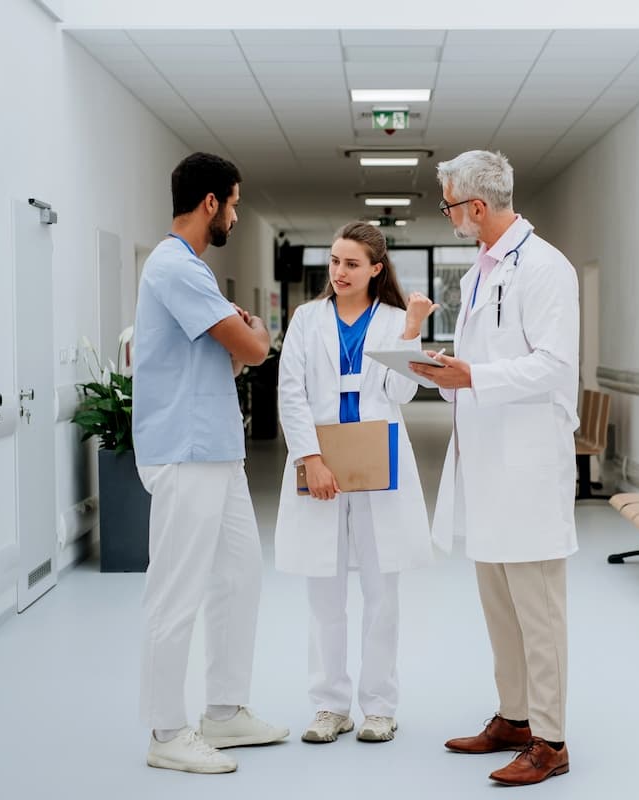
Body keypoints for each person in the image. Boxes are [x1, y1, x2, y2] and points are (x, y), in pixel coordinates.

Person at [410, 150, 580, 786]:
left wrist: (473, 374)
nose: (449, 215)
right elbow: (486, 360)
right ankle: (514, 718)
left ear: (475, 207)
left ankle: (552, 740)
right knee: (500, 606)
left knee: (538, 610)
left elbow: (557, 366)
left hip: (528, 467)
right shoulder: (480, 272)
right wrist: (447, 371)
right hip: (485, 464)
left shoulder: (545, 268)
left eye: (450, 205)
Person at [132, 152, 289, 775]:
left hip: (217, 452)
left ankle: (223, 713)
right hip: (185, 452)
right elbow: (252, 346)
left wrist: (245, 337)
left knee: (240, 575)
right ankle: (167, 730)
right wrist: (255, 332)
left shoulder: (190, 270)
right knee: (176, 591)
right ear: (210, 203)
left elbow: (220, 357)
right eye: (235, 203)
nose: (236, 215)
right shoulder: (176, 267)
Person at [274, 221, 438, 745]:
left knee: (381, 589)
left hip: (378, 460)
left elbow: (400, 392)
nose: (339, 272)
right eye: (335, 261)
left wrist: (412, 329)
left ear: (375, 269)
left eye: (351, 263)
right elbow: (291, 393)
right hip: (321, 458)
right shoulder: (306, 319)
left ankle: (379, 707)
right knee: (324, 590)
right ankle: (329, 706)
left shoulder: (392, 320)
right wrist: (310, 459)